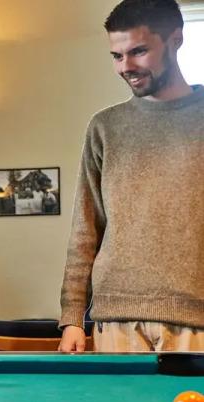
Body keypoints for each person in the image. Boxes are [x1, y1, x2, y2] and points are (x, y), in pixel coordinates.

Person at [58, 0, 204, 353]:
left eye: (139, 51)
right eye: (117, 55)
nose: (126, 67)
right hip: (114, 321)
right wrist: (73, 317)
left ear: (175, 40)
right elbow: (85, 228)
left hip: (196, 320)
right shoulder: (104, 127)